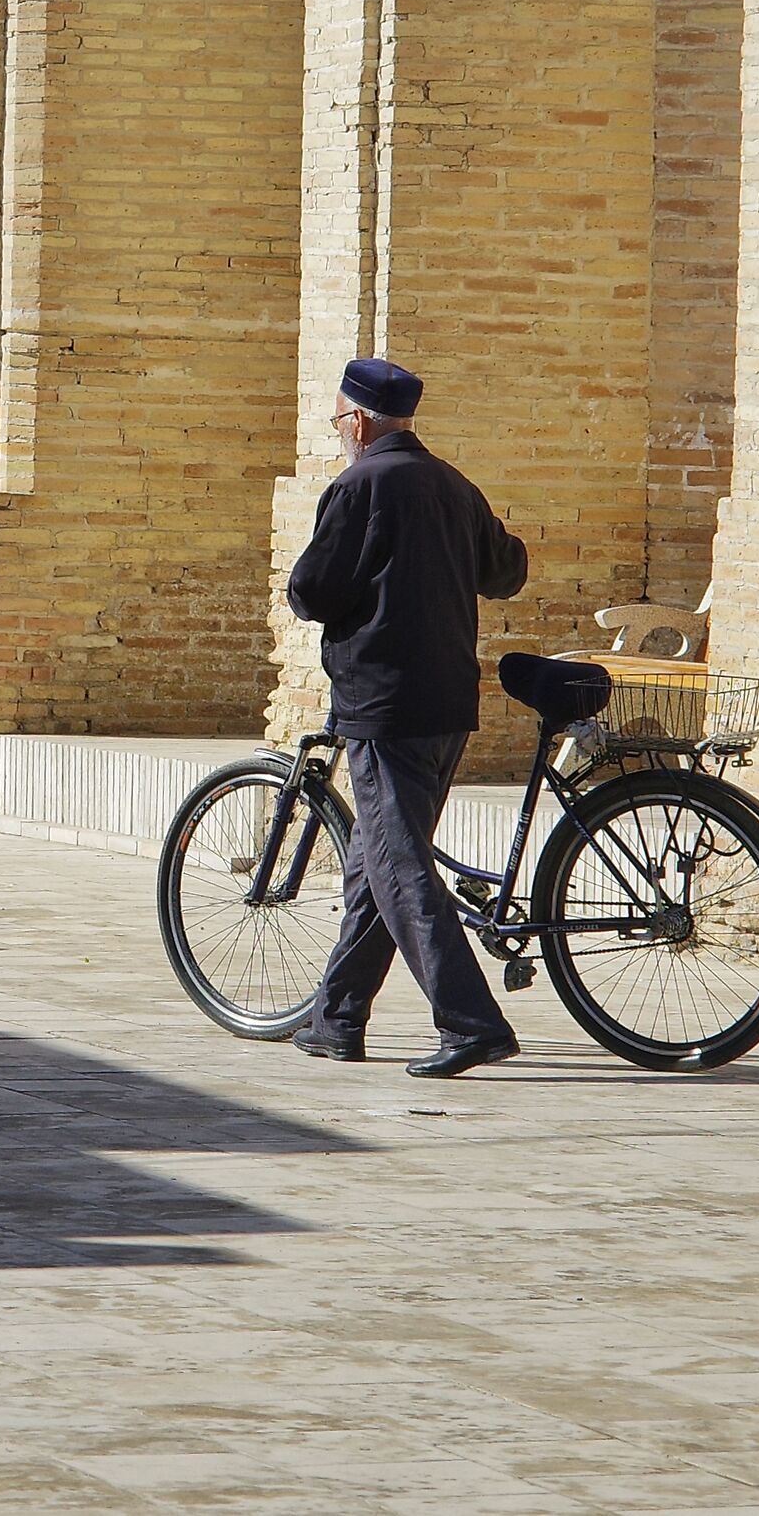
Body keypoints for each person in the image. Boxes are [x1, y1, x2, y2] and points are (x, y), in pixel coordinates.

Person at [285, 358, 530, 1078]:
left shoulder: (359, 485)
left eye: (338, 422)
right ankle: (338, 1016)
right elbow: (507, 571)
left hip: (383, 704)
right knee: (376, 859)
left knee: (397, 863)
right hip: (448, 702)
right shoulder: (454, 485)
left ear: (358, 422)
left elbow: (312, 589)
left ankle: (470, 1020)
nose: (340, 435)